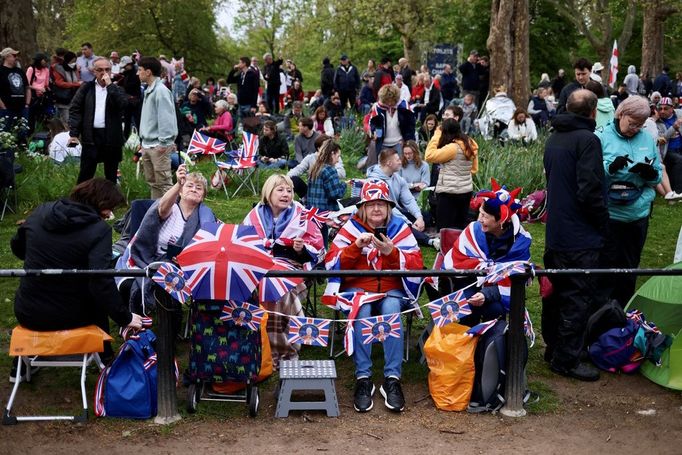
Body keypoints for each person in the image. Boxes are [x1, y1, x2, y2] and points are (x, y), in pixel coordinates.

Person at [12, 178, 143, 373]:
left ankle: (19, 367)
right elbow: (101, 282)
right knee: (97, 298)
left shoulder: (40, 212)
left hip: (28, 312)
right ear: (101, 204)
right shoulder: (99, 230)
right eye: (110, 208)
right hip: (71, 316)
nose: (110, 214)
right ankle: (106, 359)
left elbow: (17, 248)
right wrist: (125, 317)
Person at [324, 179, 424, 413]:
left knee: (390, 308)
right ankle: (363, 378)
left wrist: (391, 252)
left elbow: (417, 264)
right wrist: (355, 248)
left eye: (381, 204)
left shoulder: (400, 227)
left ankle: (392, 379)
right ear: (362, 208)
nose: (376, 209)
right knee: (363, 309)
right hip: (358, 289)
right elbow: (331, 263)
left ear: (389, 207)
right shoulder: (349, 229)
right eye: (371, 204)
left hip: (392, 289)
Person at [542, 89, 609, 382]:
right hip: (579, 232)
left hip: (557, 229)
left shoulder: (555, 138)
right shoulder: (587, 141)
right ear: (593, 112)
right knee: (577, 295)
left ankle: (556, 348)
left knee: (557, 292)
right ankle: (566, 359)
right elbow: (589, 189)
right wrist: (601, 222)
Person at [243, 174, 324, 367]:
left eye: (289, 190)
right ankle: (265, 346)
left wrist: (300, 249)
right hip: (259, 268)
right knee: (263, 284)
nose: (286, 194)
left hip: (293, 269)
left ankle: (283, 352)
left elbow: (317, 248)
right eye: (280, 190)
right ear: (268, 193)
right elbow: (243, 243)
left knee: (280, 291)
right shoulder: (254, 215)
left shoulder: (301, 214)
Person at [117, 164, 215, 314]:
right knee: (130, 283)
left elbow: (209, 245)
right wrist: (178, 184)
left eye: (199, 187)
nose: (194, 189)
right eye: (189, 185)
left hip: (183, 266)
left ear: (203, 196)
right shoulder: (171, 207)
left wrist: (186, 259)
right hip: (148, 257)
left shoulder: (205, 217)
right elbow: (161, 210)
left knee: (169, 274)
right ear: (180, 192)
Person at [596, 95, 662, 306]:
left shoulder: (647, 139)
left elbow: (659, 174)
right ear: (621, 114)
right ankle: (602, 314)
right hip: (610, 214)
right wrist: (610, 168)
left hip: (638, 213)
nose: (636, 129)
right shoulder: (601, 137)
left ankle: (624, 312)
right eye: (632, 123)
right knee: (606, 267)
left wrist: (650, 173)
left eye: (640, 125)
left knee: (630, 266)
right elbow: (590, 176)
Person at [444, 180, 531, 327]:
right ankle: (465, 343)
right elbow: (456, 262)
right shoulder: (473, 231)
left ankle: (493, 345)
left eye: (484, 216)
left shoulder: (519, 243)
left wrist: (487, 294)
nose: (479, 219)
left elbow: (516, 279)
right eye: (480, 213)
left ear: (501, 221)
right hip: (468, 283)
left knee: (495, 311)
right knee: (467, 305)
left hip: (498, 292)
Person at [68, 57, 128, 184]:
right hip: (91, 136)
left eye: (107, 69)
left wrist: (110, 86)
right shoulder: (86, 88)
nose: (104, 73)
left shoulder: (117, 89)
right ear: (94, 72)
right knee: (86, 173)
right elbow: (75, 109)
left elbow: (123, 105)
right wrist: (74, 133)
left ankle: (110, 202)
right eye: (100, 70)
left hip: (111, 136)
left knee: (111, 174)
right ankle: (80, 200)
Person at [367, 149, 431, 247]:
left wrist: (419, 217)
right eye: (397, 160)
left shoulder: (397, 178)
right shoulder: (375, 181)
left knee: (426, 216)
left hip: (398, 211)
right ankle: (429, 241)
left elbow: (409, 200)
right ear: (389, 163)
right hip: (383, 216)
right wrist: (408, 223)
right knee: (404, 225)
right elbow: (389, 208)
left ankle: (415, 229)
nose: (400, 161)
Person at [425, 118, 479, 230]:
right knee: (459, 227)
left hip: (449, 193)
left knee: (445, 228)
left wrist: (436, 135)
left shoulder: (452, 148)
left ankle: (446, 247)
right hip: (466, 191)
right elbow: (474, 169)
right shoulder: (470, 143)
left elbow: (429, 156)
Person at [137, 57, 179, 199]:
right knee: (153, 182)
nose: (138, 73)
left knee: (164, 183)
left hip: (158, 145)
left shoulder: (161, 91)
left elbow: (166, 119)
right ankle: (157, 211)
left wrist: (164, 142)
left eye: (140, 70)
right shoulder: (149, 90)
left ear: (148, 72)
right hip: (147, 144)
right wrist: (143, 142)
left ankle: (173, 215)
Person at [306, 140, 347, 244]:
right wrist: (344, 185)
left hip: (312, 211)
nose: (338, 160)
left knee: (314, 241)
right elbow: (335, 194)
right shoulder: (330, 170)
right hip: (324, 213)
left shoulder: (315, 167)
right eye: (338, 156)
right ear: (332, 153)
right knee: (323, 243)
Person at [368, 84, 416, 157]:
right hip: (382, 143)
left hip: (399, 143)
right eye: (387, 101)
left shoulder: (404, 107)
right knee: (384, 166)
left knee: (400, 165)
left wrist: (407, 141)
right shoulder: (378, 108)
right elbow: (372, 123)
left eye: (392, 101)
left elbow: (410, 126)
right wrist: (373, 131)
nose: (390, 103)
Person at [0, 48, 30, 134]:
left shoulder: (20, 71)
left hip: (22, 108)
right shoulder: (1, 71)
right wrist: (3, 106)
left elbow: (27, 88)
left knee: (23, 132)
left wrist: (27, 104)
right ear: (7, 57)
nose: (16, 58)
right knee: (6, 133)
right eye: (14, 55)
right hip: (6, 108)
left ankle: (22, 147)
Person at [656, 97, 682, 193]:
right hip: (667, 151)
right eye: (660, 108)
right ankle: (678, 192)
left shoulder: (679, 114)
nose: (662, 111)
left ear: (672, 108)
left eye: (665, 108)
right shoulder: (657, 122)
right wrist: (674, 127)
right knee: (679, 160)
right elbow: (662, 140)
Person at [52, 50, 82, 124]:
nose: (73, 63)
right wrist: (76, 84)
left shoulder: (74, 69)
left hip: (74, 99)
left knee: (74, 121)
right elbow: (59, 83)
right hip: (64, 99)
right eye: (72, 61)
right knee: (66, 121)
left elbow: (77, 80)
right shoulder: (59, 69)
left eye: (75, 61)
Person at [117, 56, 142, 140]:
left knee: (137, 121)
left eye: (125, 66)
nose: (124, 67)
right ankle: (125, 138)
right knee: (127, 121)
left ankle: (140, 139)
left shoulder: (136, 73)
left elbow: (131, 86)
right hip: (128, 100)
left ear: (129, 64)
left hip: (135, 100)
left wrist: (121, 87)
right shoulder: (126, 73)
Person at [26, 53, 52, 133]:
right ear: (39, 60)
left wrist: (47, 90)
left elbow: (46, 84)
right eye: (44, 60)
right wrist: (38, 88)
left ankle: (42, 136)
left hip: (42, 97)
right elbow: (27, 84)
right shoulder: (31, 69)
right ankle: (30, 136)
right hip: (32, 97)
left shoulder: (46, 70)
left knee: (42, 118)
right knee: (31, 118)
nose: (45, 62)